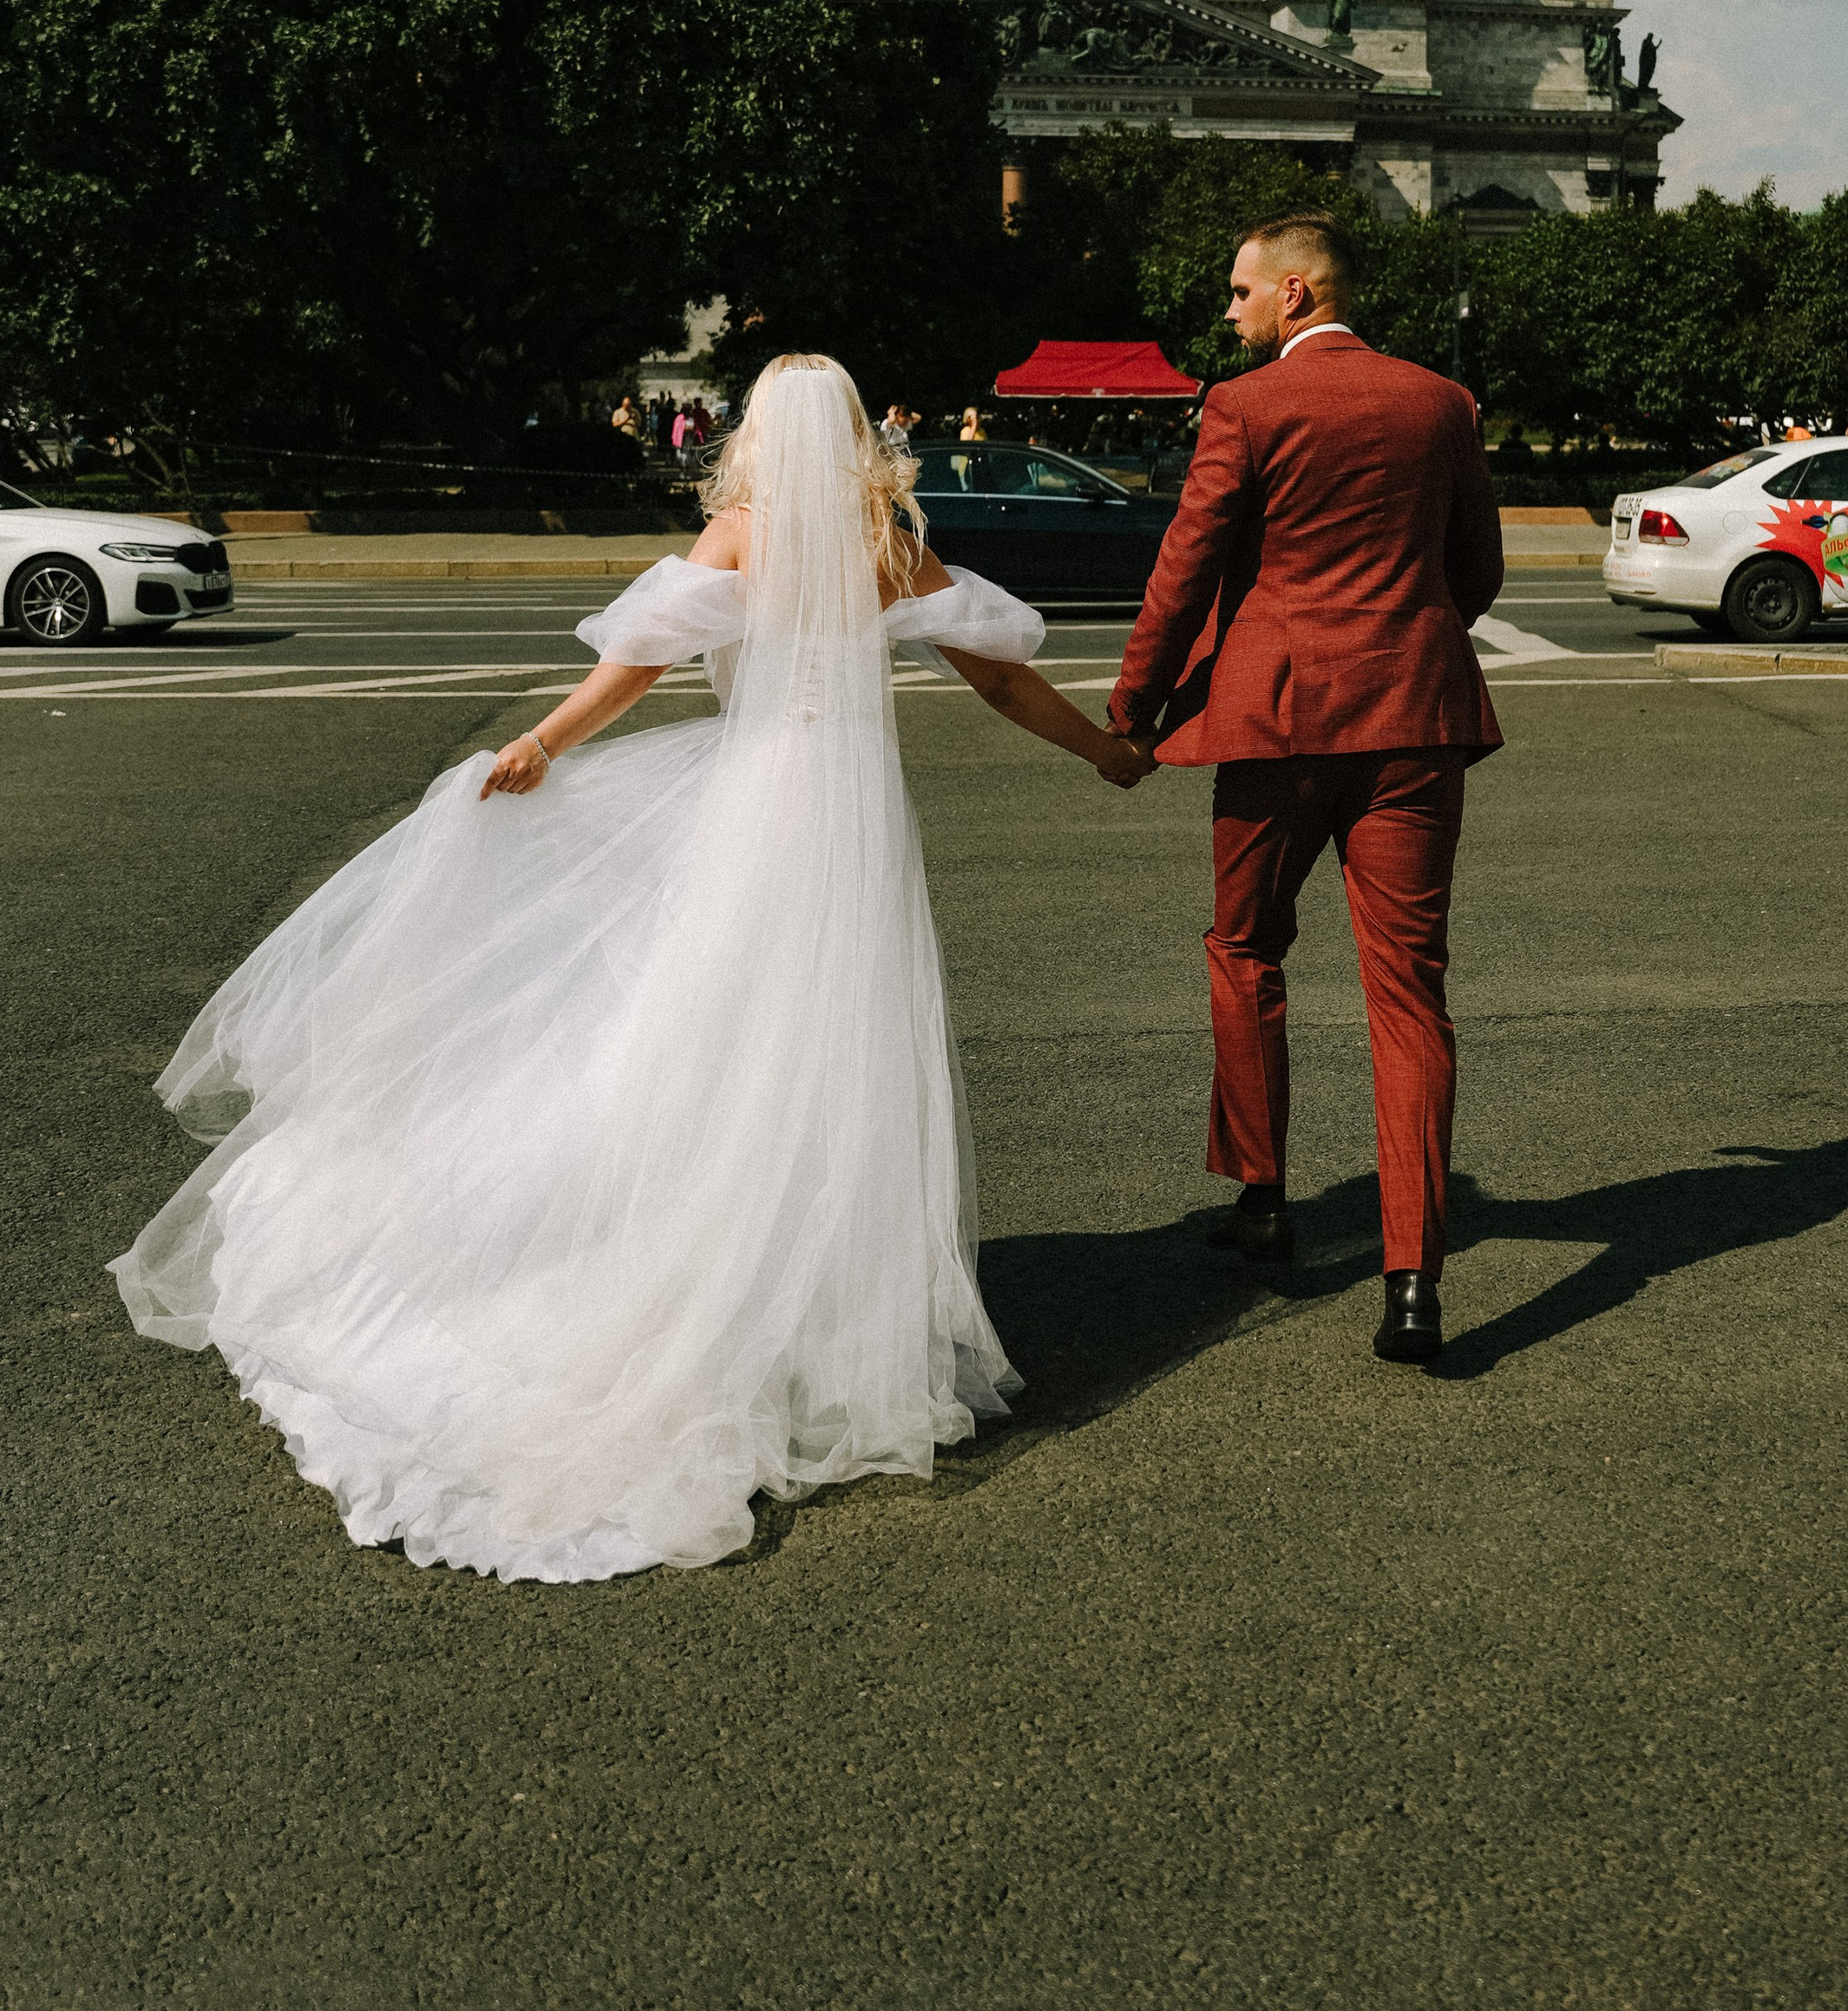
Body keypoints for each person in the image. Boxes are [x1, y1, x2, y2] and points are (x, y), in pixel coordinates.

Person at [110, 355, 1151, 1583]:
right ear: (859, 434)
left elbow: (637, 667)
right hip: (853, 821)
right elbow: (1001, 675)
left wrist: (542, 742)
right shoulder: (885, 543)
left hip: (758, 802)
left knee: (708, 1035)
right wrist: (1103, 750)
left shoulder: (740, 533)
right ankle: (810, 1316)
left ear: (756, 434)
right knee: (829, 1052)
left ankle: (711, 1282)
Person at [1107, 213, 1504, 1372]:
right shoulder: (1444, 402)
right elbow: (1473, 570)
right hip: (1416, 723)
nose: (1227, 312)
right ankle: (1416, 1279)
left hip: (1277, 727)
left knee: (1244, 946)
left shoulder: (1244, 407)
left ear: (1291, 296)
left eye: (1238, 293)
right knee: (1409, 996)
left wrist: (1134, 711)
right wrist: (1407, 642)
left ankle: (1265, 1196)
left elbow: (1182, 570)